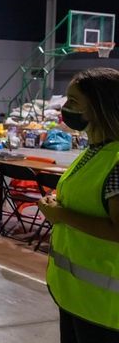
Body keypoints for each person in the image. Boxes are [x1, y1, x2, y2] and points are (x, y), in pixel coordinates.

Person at [38, 67, 119, 342]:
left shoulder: (116, 160)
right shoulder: (94, 151)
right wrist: (58, 203)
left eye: (73, 101)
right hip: (76, 296)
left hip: (105, 307)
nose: (65, 107)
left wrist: (61, 215)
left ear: (99, 107)